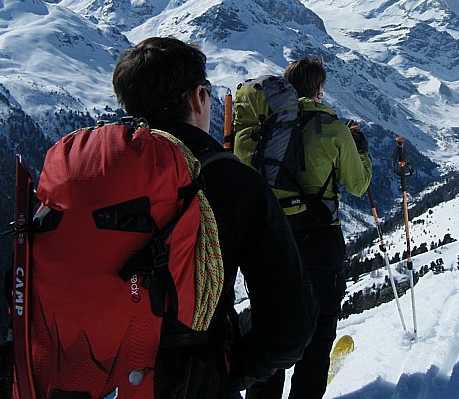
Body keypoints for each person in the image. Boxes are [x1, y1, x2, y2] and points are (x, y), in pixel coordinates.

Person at [112, 37, 318, 397]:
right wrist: (222, 374)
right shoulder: (230, 181)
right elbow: (291, 325)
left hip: (89, 376)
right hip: (189, 381)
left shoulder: (91, 172)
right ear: (198, 98)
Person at [246, 57, 372, 399]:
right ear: (319, 88)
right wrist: (361, 152)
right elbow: (358, 184)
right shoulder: (331, 127)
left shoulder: (267, 125)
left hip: (272, 241)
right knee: (318, 334)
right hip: (319, 241)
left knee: (271, 330)